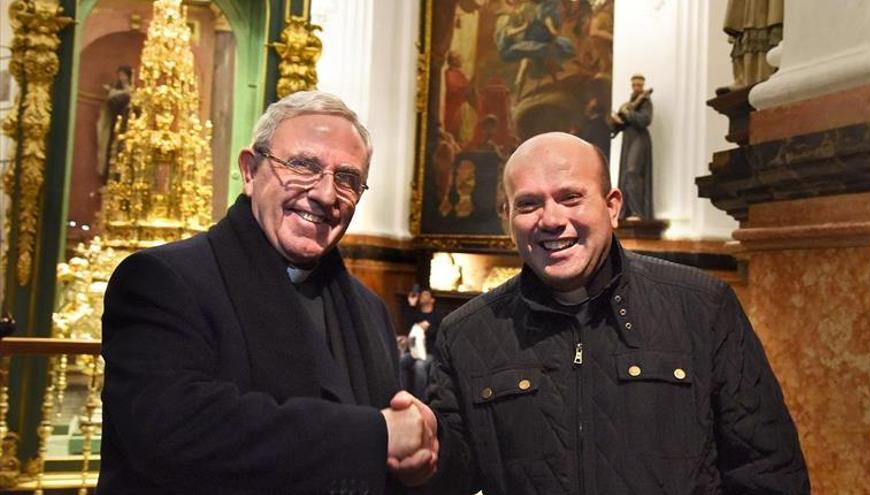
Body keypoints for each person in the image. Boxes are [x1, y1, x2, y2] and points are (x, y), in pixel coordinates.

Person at [420, 132, 810, 494]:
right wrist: (416, 452)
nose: (552, 220)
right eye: (528, 203)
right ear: (508, 218)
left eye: (571, 197)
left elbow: (767, 471)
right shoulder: (466, 333)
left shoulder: (702, 307)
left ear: (612, 206)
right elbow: (449, 475)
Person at [98, 91, 437, 494]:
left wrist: (419, 458)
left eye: (347, 179)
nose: (326, 195)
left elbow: (396, 451)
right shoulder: (162, 280)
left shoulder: (369, 309)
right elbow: (173, 431)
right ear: (250, 171)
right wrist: (375, 436)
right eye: (303, 165)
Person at [611, 73, 654, 220]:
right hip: (629, 138)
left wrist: (628, 114)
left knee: (632, 171)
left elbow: (645, 120)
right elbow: (620, 125)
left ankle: (638, 211)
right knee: (625, 174)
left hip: (640, 138)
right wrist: (616, 120)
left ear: (643, 86)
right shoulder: (629, 103)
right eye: (634, 85)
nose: (637, 88)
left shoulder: (646, 101)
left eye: (639, 85)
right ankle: (627, 211)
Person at [96, 65, 133, 179]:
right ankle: (109, 177)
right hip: (115, 122)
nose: (121, 77)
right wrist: (113, 92)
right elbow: (111, 103)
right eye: (120, 75)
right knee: (112, 148)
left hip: (127, 124)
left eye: (123, 75)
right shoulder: (115, 87)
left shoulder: (131, 89)